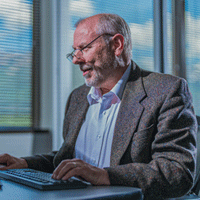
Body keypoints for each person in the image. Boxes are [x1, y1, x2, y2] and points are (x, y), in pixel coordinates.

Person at [0, 13, 197, 199]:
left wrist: (104, 175)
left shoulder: (166, 91)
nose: (76, 59)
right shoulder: (77, 98)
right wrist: (24, 164)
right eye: (74, 51)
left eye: (84, 48)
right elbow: (67, 160)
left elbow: (177, 172)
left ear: (117, 45)